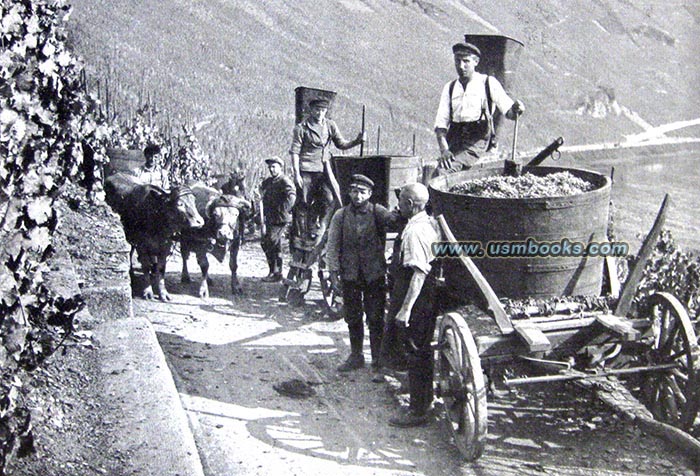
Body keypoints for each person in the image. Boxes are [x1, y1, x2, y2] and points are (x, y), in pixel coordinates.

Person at [325, 174, 393, 376]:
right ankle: (356, 356)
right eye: (354, 191)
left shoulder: (378, 212)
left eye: (362, 192)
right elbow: (332, 244)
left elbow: (394, 221)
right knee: (353, 316)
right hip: (350, 275)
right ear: (349, 193)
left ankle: (378, 360)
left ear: (370, 194)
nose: (357, 196)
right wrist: (333, 271)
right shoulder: (341, 215)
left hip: (374, 275)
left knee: (375, 317)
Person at [387, 183, 441, 428]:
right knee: (421, 348)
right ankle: (424, 397)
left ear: (410, 204)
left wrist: (406, 309)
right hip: (425, 296)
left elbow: (419, 273)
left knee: (416, 349)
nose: (397, 206)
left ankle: (418, 410)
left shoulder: (415, 232)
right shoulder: (428, 223)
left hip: (416, 298)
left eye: (401, 202)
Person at [434, 42, 525, 173]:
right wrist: (444, 150)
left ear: (476, 62)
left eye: (466, 61)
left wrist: (518, 109)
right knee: (432, 171)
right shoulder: (450, 87)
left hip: (476, 143)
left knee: (443, 172)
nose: (461, 66)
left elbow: (509, 112)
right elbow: (441, 125)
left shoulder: (488, 83)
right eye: (457, 61)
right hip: (453, 141)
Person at [289, 98, 365, 242]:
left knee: (329, 198)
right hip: (306, 168)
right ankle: (304, 233)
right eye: (317, 110)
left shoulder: (330, 125)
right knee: (304, 202)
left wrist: (356, 141)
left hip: (324, 169)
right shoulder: (302, 128)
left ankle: (317, 225)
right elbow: (295, 152)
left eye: (323, 110)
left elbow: (341, 144)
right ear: (311, 110)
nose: (320, 113)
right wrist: (296, 174)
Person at [260, 156, 296, 282]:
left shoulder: (284, 181)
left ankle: (277, 273)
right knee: (267, 243)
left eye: (274, 167)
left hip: (279, 218)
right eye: (270, 167)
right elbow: (263, 195)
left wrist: (283, 210)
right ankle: (273, 271)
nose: (271, 169)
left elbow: (291, 197)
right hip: (269, 217)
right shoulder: (269, 182)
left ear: (280, 167)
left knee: (272, 241)